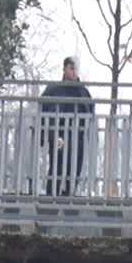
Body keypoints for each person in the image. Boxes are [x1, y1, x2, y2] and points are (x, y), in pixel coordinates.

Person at [38, 58, 96, 197]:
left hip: (77, 135)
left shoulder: (83, 91)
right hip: (59, 134)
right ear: (64, 69)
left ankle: (69, 194)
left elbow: (90, 112)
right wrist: (44, 134)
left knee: (75, 165)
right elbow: (43, 110)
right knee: (57, 163)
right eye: (71, 68)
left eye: (76, 69)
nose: (74, 72)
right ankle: (52, 194)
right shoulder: (54, 89)